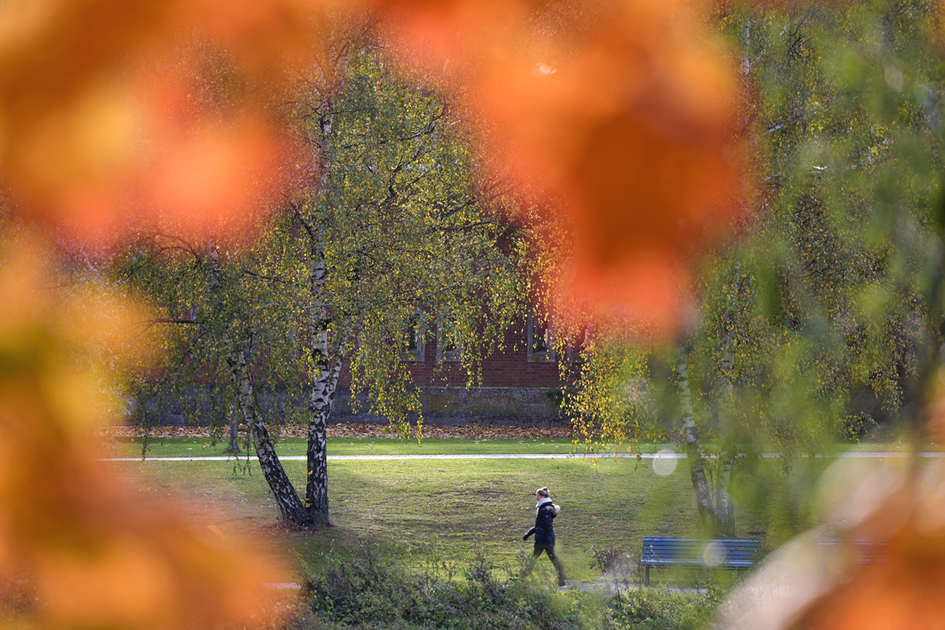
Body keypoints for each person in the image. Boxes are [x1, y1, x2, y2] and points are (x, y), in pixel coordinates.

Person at [522, 486, 566, 586]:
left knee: (533, 560)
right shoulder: (543, 508)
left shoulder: (545, 510)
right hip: (544, 540)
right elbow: (539, 527)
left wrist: (549, 541)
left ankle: (522, 579)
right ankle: (561, 581)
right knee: (553, 560)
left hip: (543, 541)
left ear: (542, 496)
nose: (536, 498)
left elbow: (548, 527)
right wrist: (528, 534)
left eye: (537, 496)